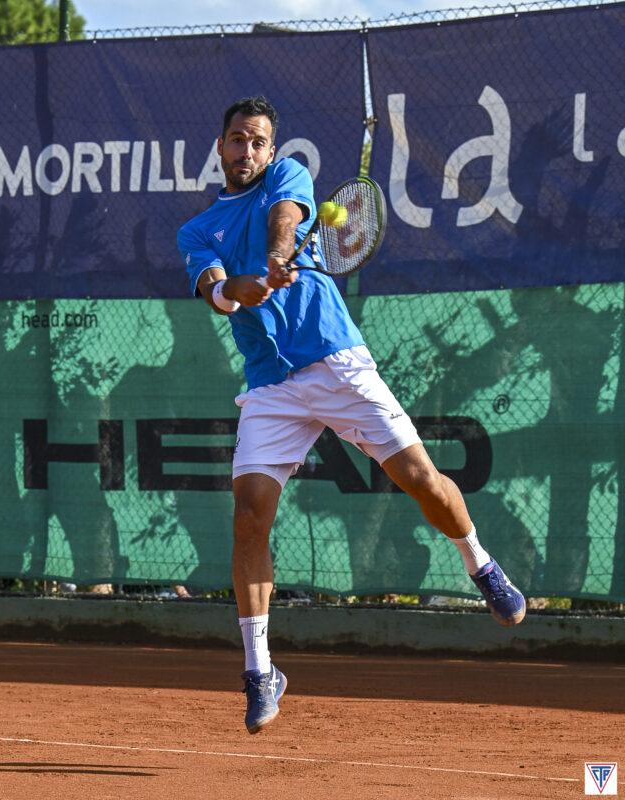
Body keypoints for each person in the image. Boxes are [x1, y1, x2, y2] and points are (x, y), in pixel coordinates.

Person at [176, 95, 526, 735]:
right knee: (250, 518)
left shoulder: (289, 178)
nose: (247, 150)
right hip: (270, 386)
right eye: (236, 140)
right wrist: (234, 290)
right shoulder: (197, 230)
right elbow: (213, 291)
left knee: (421, 480)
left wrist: (278, 259)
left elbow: (287, 218)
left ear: (269, 150)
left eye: (257, 141)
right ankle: (260, 671)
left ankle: (479, 561)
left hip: (336, 361)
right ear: (220, 146)